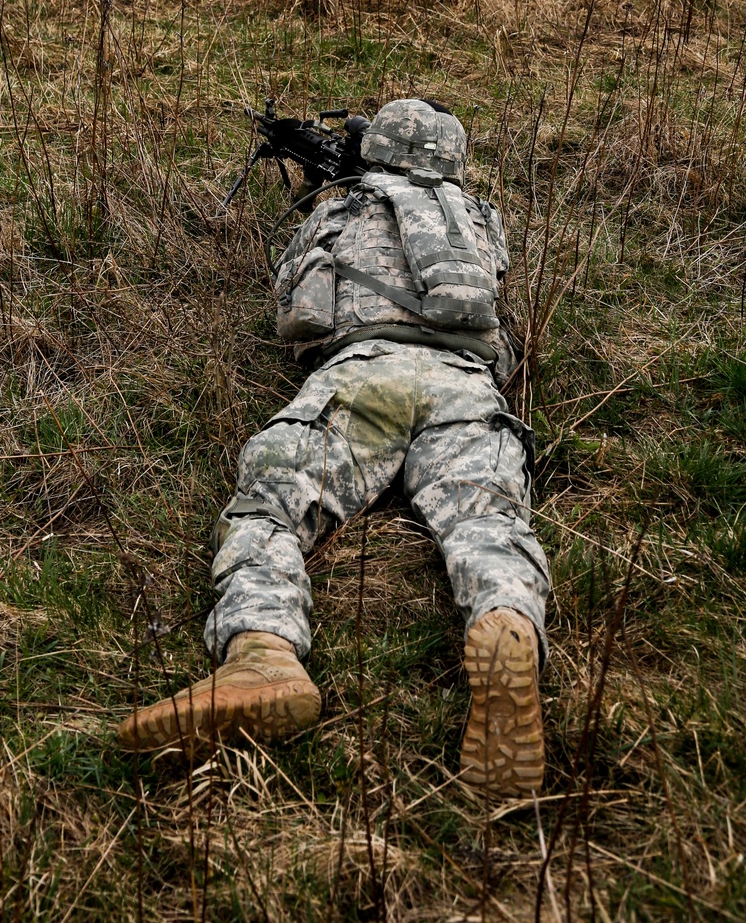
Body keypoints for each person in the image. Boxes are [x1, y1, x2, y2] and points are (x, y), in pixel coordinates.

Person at [117, 99, 550, 797]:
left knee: (271, 507)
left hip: (367, 379)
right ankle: (506, 623)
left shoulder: (341, 208)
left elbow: (296, 311)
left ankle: (263, 652)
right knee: (488, 521)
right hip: (467, 387)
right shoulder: (481, 221)